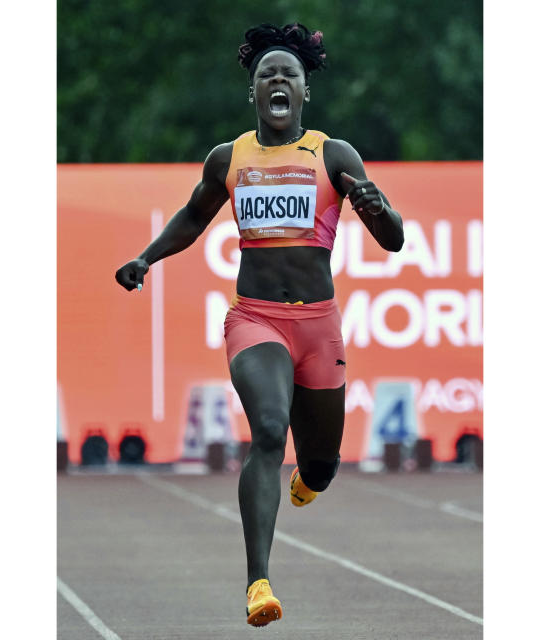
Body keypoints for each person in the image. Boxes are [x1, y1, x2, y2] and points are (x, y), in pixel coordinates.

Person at [115, 22, 405, 627]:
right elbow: (193, 219)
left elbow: (393, 239)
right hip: (256, 321)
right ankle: (258, 582)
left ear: (305, 92)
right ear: (253, 94)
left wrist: (381, 211)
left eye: (288, 75)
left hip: (318, 326)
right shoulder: (230, 158)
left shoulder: (334, 155)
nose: (277, 81)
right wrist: (147, 257)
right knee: (269, 429)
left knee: (321, 466)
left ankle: (310, 478)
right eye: (265, 75)